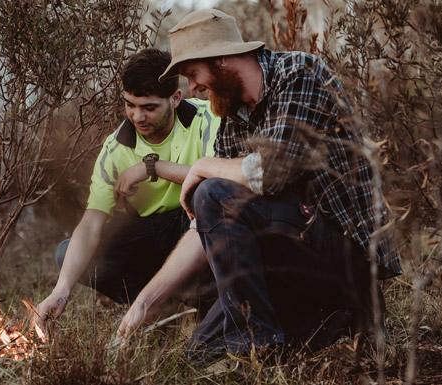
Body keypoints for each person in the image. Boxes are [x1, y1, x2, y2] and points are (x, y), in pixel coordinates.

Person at [116, 9, 401, 361]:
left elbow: (272, 172)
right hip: (289, 258)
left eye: (193, 74)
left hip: (344, 250)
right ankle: (328, 322)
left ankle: (262, 344)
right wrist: (144, 303)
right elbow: (205, 224)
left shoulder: (299, 73)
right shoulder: (233, 117)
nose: (193, 89)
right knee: (200, 355)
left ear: (220, 58)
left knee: (212, 190)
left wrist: (204, 166)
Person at [35, 48, 220, 324]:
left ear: (175, 98)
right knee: (67, 251)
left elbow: (219, 179)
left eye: (149, 107)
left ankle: (210, 306)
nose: (137, 117)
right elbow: (90, 224)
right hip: (147, 234)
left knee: (205, 196)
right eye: (130, 105)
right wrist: (61, 291)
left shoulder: (208, 118)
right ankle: (163, 311)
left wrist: (153, 167)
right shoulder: (114, 149)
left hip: (193, 226)